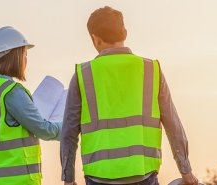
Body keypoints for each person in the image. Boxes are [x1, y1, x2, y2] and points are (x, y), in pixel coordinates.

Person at [60, 6, 198, 185]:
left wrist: (68, 179)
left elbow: (68, 133)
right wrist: (185, 171)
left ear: (95, 39)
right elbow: (173, 125)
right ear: (124, 33)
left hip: (98, 177)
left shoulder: (82, 75)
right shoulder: (151, 70)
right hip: (143, 176)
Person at [0, 26, 62, 185]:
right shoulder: (11, 91)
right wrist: (69, 125)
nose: (26, 60)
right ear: (14, 56)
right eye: (24, 54)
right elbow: (43, 130)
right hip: (15, 181)